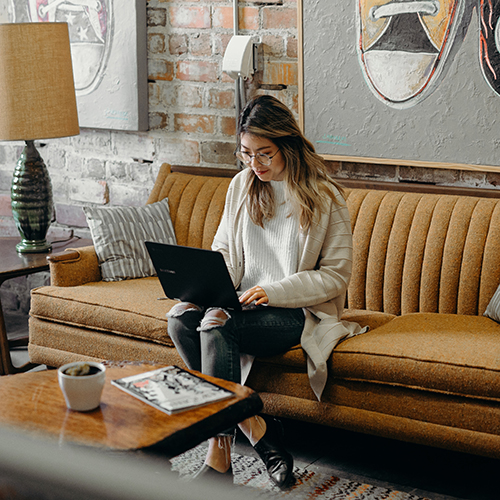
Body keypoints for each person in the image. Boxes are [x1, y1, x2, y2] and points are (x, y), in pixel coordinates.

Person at [167, 95, 366, 488]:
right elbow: (223, 249)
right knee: (181, 318)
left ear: (287, 146)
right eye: (246, 154)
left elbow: (336, 276)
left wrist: (271, 291)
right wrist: (205, 285)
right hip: (241, 300)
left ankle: (218, 459)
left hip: (295, 311)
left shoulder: (325, 197)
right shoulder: (242, 185)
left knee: (215, 325)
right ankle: (257, 425)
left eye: (264, 154)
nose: (254, 165)